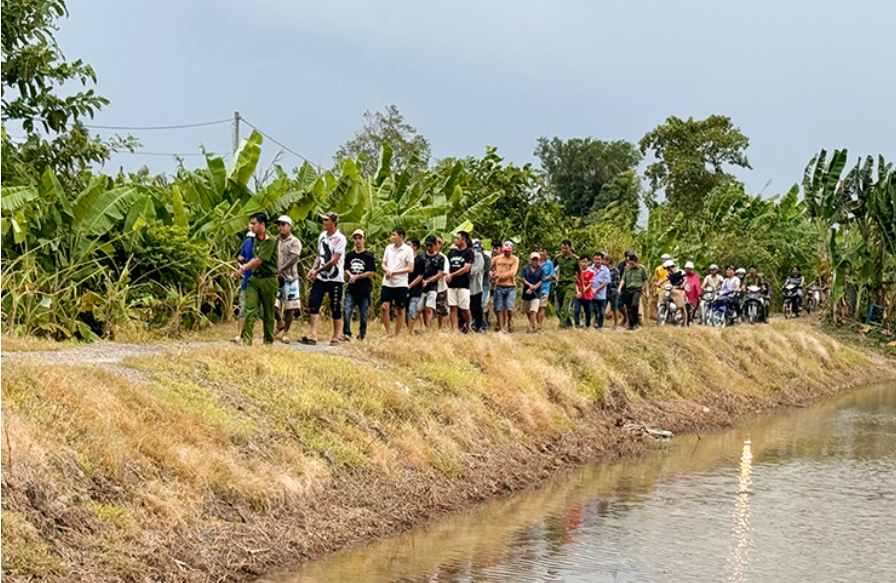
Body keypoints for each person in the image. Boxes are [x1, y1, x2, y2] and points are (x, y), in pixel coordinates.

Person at [234, 212, 278, 345]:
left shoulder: (269, 240)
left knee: (268, 311)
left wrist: (243, 268)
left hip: (268, 279)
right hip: (254, 278)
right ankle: (246, 338)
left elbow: (259, 260)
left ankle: (268, 340)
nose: (250, 226)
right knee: (249, 308)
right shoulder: (254, 240)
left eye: (254, 224)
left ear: (262, 224)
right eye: (250, 223)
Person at [303, 212, 346, 345]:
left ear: (333, 223)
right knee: (314, 301)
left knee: (335, 306)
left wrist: (317, 271)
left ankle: (335, 335)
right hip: (321, 277)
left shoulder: (340, 239)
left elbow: (334, 260)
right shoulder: (322, 236)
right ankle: (313, 334)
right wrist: (313, 269)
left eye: (326, 220)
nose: (323, 222)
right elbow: (319, 255)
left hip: (335, 278)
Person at [380, 227, 415, 337]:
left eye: (394, 235)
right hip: (387, 282)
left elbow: (410, 268)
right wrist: (387, 270)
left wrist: (395, 272)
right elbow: (383, 263)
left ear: (401, 237)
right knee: (384, 306)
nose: (392, 237)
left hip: (401, 283)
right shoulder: (388, 248)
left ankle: (396, 333)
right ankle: (388, 331)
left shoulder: (408, 250)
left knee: (400, 309)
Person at [343, 229, 376, 341]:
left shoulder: (368, 256)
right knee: (347, 311)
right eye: (355, 238)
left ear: (364, 240)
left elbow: (371, 272)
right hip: (351, 288)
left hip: (364, 289)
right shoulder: (349, 255)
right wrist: (350, 275)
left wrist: (358, 276)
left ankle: (362, 335)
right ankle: (346, 333)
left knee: (363, 315)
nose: (357, 241)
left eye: (360, 238)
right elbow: (345, 268)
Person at [274, 215, 302, 344]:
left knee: (290, 307)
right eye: (279, 225)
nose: (280, 227)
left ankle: (285, 332)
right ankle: (280, 322)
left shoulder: (294, 241)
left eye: (283, 225)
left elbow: (294, 258)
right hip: (275, 277)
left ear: (289, 226)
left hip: (290, 277)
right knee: (272, 304)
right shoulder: (274, 241)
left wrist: (281, 269)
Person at [445, 231, 474, 332]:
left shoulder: (469, 252)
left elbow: (466, 268)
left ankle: (469, 325)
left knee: (464, 308)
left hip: (463, 284)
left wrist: (452, 275)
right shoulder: (451, 252)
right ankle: (455, 328)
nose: (455, 240)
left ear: (464, 240)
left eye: (458, 238)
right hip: (451, 284)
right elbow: (447, 265)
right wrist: (448, 274)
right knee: (453, 306)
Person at [491, 240, 519, 333]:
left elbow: (513, 273)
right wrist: (491, 274)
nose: (507, 252)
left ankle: (510, 322)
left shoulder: (515, 259)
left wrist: (499, 275)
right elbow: (489, 268)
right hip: (499, 286)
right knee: (500, 308)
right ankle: (502, 327)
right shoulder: (497, 259)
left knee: (509, 308)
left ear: (512, 250)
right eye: (505, 250)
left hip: (510, 286)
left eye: (508, 251)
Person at [234, 227, 255, 342]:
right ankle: (240, 333)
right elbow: (241, 256)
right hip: (247, 278)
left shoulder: (262, 245)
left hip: (259, 279)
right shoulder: (247, 242)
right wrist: (240, 259)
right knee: (243, 307)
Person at [555, 240, 581, 328]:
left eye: (565, 248)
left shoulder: (575, 260)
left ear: (570, 248)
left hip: (570, 284)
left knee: (566, 304)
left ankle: (561, 325)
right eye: (562, 248)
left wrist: (583, 286)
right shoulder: (558, 258)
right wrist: (554, 277)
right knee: (560, 306)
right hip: (560, 285)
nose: (564, 250)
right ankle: (568, 323)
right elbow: (551, 268)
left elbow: (580, 273)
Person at [420, 235, 444, 330]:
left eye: (431, 245)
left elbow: (439, 273)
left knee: (429, 308)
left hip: (433, 286)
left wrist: (428, 281)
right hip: (421, 286)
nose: (429, 248)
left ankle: (428, 328)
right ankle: (423, 326)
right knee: (420, 308)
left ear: (435, 245)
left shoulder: (439, 258)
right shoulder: (421, 256)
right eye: (427, 246)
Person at [618, 253, 647, 330]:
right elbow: (623, 279)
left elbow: (645, 280)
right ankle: (631, 324)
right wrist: (619, 288)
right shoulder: (627, 269)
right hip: (628, 289)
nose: (631, 265)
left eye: (632, 264)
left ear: (636, 262)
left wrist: (647, 291)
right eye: (629, 263)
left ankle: (635, 322)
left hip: (637, 289)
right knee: (628, 306)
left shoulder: (641, 269)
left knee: (634, 304)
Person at [520, 252, 546, 333]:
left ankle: (531, 326)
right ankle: (532, 323)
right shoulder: (525, 268)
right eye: (533, 259)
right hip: (526, 293)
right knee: (527, 310)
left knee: (533, 310)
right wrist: (530, 285)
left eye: (536, 260)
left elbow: (541, 281)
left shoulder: (541, 270)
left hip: (536, 293)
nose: (534, 261)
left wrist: (533, 288)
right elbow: (523, 279)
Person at [406, 238, 426, 335]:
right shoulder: (404, 259)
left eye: (409, 244)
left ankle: (410, 331)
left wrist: (410, 285)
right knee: (404, 309)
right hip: (403, 287)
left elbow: (420, 276)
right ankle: (409, 329)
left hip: (416, 289)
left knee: (412, 309)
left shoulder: (420, 260)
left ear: (415, 247)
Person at [659, 259, 688, 325]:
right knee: (663, 293)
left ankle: (685, 322)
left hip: (679, 289)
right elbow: (665, 279)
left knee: (682, 306)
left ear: (670, 267)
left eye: (668, 268)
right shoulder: (670, 274)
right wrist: (659, 283)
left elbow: (685, 279)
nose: (667, 270)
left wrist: (682, 285)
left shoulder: (680, 272)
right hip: (672, 289)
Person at [469, 239, 486, 333]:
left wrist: (463, 271)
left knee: (477, 308)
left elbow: (473, 272)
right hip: (465, 286)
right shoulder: (464, 255)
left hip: (476, 287)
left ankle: (479, 326)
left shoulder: (478, 256)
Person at [591, 253, 611, 330]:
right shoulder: (590, 269)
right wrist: (591, 289)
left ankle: (600, 325)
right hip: (591, 293)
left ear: (602, 260)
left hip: (601, 294)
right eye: (596, 259)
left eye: (599, 259)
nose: (597, 261)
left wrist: (596, 289)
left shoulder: (605, 270)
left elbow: (606, 282)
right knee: (592, 309)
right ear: (593, 260)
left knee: (601, 311)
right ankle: (592, 323)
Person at [434, 236, 451, 328]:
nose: (437, 244)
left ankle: (443, 328)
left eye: (439, 242)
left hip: (441, 287)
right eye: (435, 242)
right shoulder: (424, 256)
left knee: (443, 310)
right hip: (428, 287)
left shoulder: (443, 257)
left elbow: (444, 272)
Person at [537, 248, 555, 331]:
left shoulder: (549, 263)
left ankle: (539, 324)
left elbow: (551, 275)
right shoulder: (534, 261)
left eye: (543, 252)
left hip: (544, 287)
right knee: (534, 307)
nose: (541, 253)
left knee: (542, 306)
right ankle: (535, 322)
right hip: (535, 287)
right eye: (540, 251)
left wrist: (542, 279)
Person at [574, 256, 594, 328]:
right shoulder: (577, 273)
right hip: (578, 294)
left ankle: (588, 324)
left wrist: (583, 291)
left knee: (588, 312)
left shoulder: (591, 272)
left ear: (588, 263)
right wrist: (578, 292)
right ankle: (577, 324)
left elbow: (590, 284)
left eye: (585, 262)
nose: (584, 264)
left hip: (587, 295)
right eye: (582, 262)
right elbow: (576, 283)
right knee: (576, 310)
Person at [651, 253, 672, 321]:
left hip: (670, 288)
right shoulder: (658, 269)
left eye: (666, 260)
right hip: (660, 289)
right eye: (663, 259)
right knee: (659, 304)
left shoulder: (672, 269)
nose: (664, 261)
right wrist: (657, 285)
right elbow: (656, 280)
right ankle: (659, 317)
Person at [617, 250, 634, 328]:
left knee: (628, 305)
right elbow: (618, 275)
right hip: (621, 287)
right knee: (619, 304)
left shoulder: (635, 265)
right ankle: (625, 317)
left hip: (631, 287)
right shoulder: (621, 265)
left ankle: (628, 320)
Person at [683, 261, 702, 326]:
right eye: (686, 268)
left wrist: (698, 293)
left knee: (694, 304)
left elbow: (697, 285)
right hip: (684, 293)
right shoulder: (683, 275)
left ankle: (693, 315)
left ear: (691, 269)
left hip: (692, 294)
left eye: (688, 268)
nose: (686, 269)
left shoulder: (695, 276)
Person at [605, 254, 621, 329]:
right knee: (601, 307)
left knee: (614, 307)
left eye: (604, 260)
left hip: (613, 291)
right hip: (604, 291)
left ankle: (616, 322)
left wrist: (608, 283)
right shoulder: (604, 269)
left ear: (608, 261)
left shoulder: (615, 270)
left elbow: (617, 282)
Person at [480, 241, 492, 331]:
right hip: (474, 285)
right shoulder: (471, 257)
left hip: (484, 285)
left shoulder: (486, 258)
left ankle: (484, 326)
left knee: (481, 305)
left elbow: (484, 271)